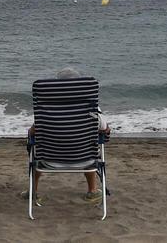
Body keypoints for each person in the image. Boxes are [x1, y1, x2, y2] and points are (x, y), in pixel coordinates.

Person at [21, 67, 111, 205]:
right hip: (85, 159)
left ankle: (33, 191)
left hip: (48, 160)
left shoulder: (47, 109)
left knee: (35, 147)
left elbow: (33, 131)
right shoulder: (91, 109)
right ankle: (92, 191)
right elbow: (105, 129)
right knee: (91, 141)